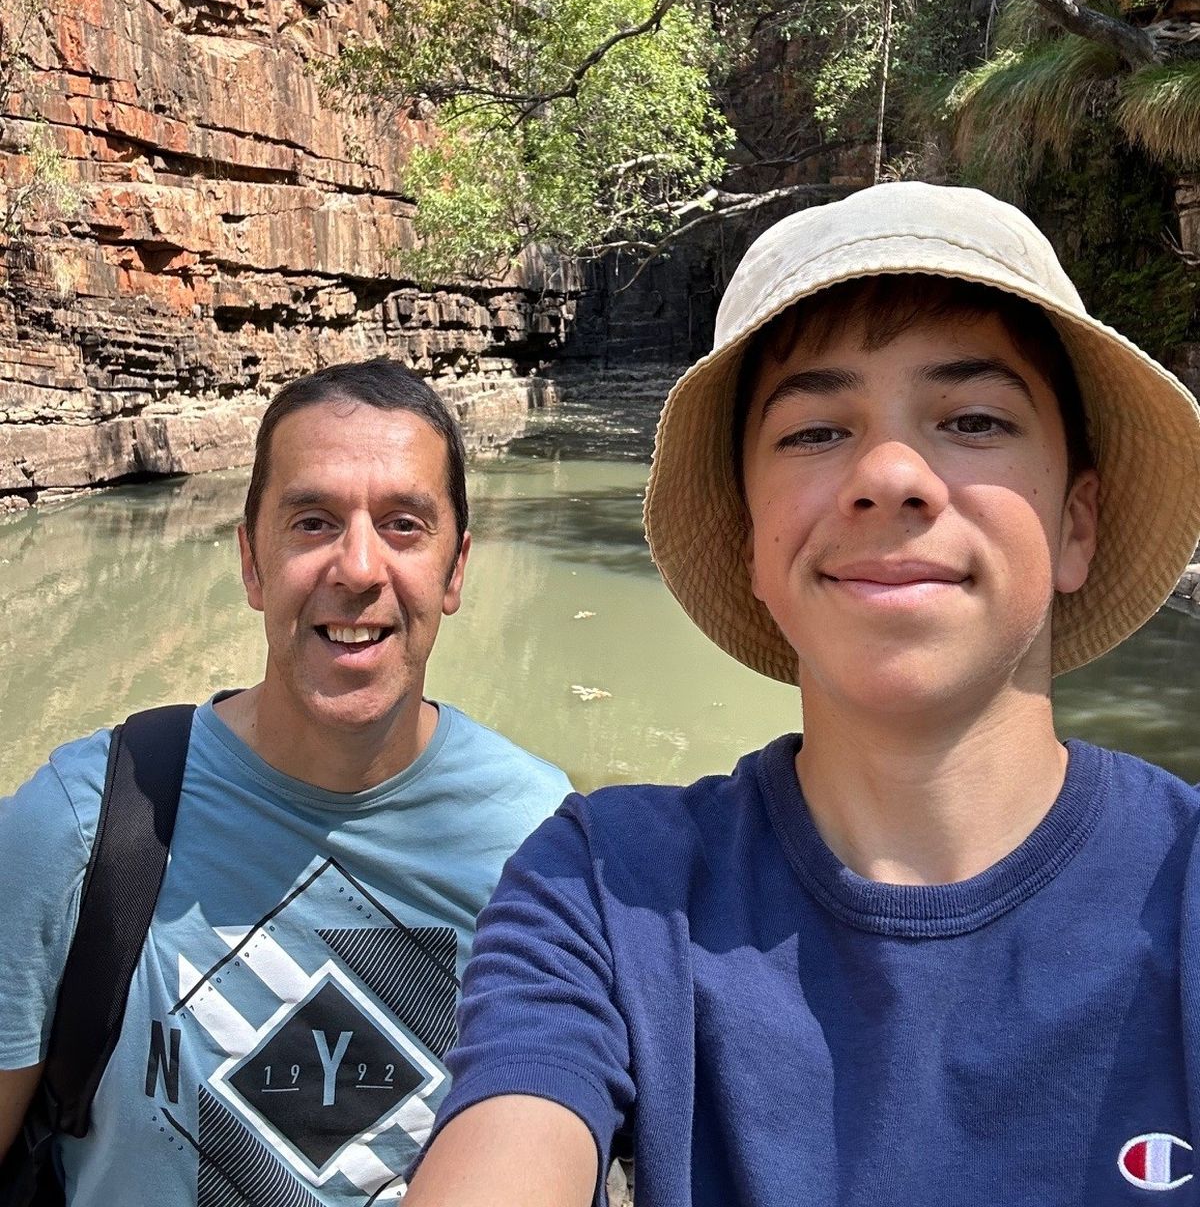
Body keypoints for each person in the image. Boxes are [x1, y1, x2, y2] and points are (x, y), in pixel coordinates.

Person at [405, 182, 1200, 1207]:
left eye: (971, 416)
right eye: (817, 432)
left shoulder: (1181, 895)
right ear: (749, 542)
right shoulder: (608, 894)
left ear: (1076, 523)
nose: (892, 474)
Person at [0, 357, 570, 1206]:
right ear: (251, 562)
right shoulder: (84, 824)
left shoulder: (548, 844)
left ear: (455, 572)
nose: (359, 568)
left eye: (405, 526)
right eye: (312, 522)